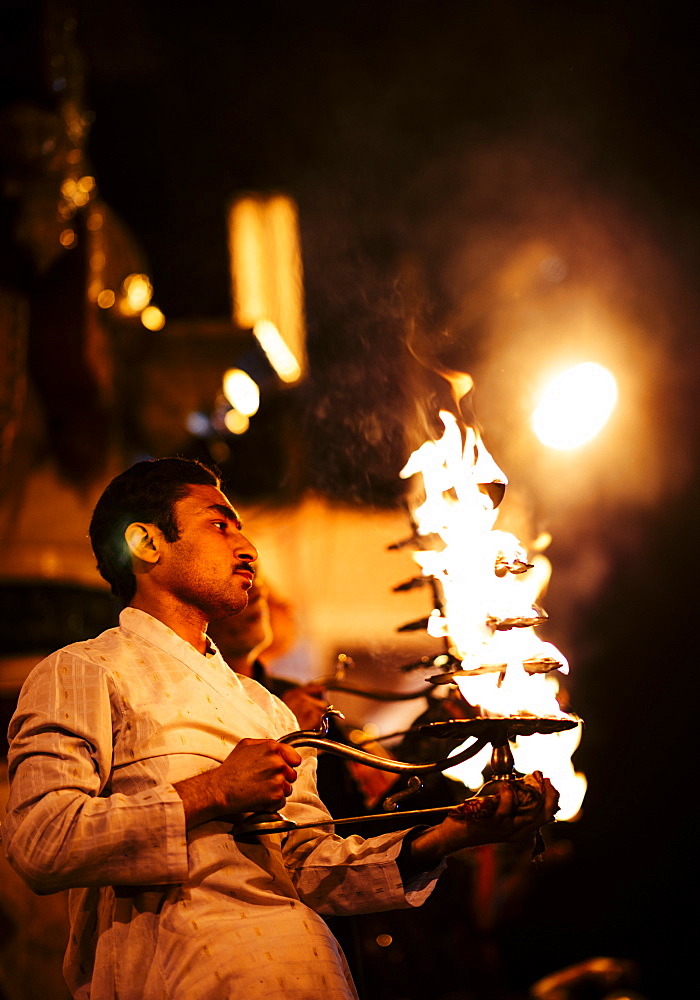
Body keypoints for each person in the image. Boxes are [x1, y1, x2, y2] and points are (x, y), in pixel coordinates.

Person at [1, 457, 559, 1000]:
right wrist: (214, 790)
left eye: (242, 530)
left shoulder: (267, 709)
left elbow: (309, 869)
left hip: (310, 971)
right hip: (183, 972)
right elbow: (42, 843)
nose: (247, 548)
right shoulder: (81, 670)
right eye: (219, 525)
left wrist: (453, 834)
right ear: (146, 544)